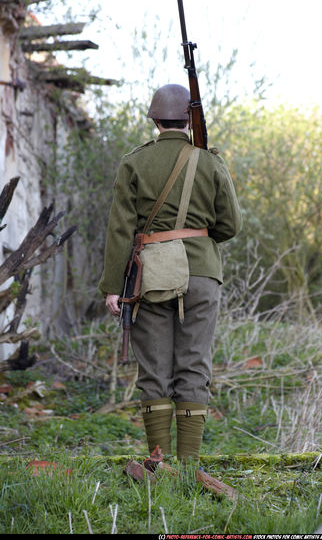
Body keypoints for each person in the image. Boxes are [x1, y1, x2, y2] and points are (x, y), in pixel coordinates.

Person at [98, 83, 242, 463]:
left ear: (155, 119)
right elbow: (231, 225)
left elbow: (119, 229)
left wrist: (113, 286)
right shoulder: (209, 161)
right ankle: (189, 466)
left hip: (150, 276)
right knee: (194, 363)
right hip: (202, 275)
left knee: (154, 370)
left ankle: (158, 462)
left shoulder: (134, 162)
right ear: (190, 119)